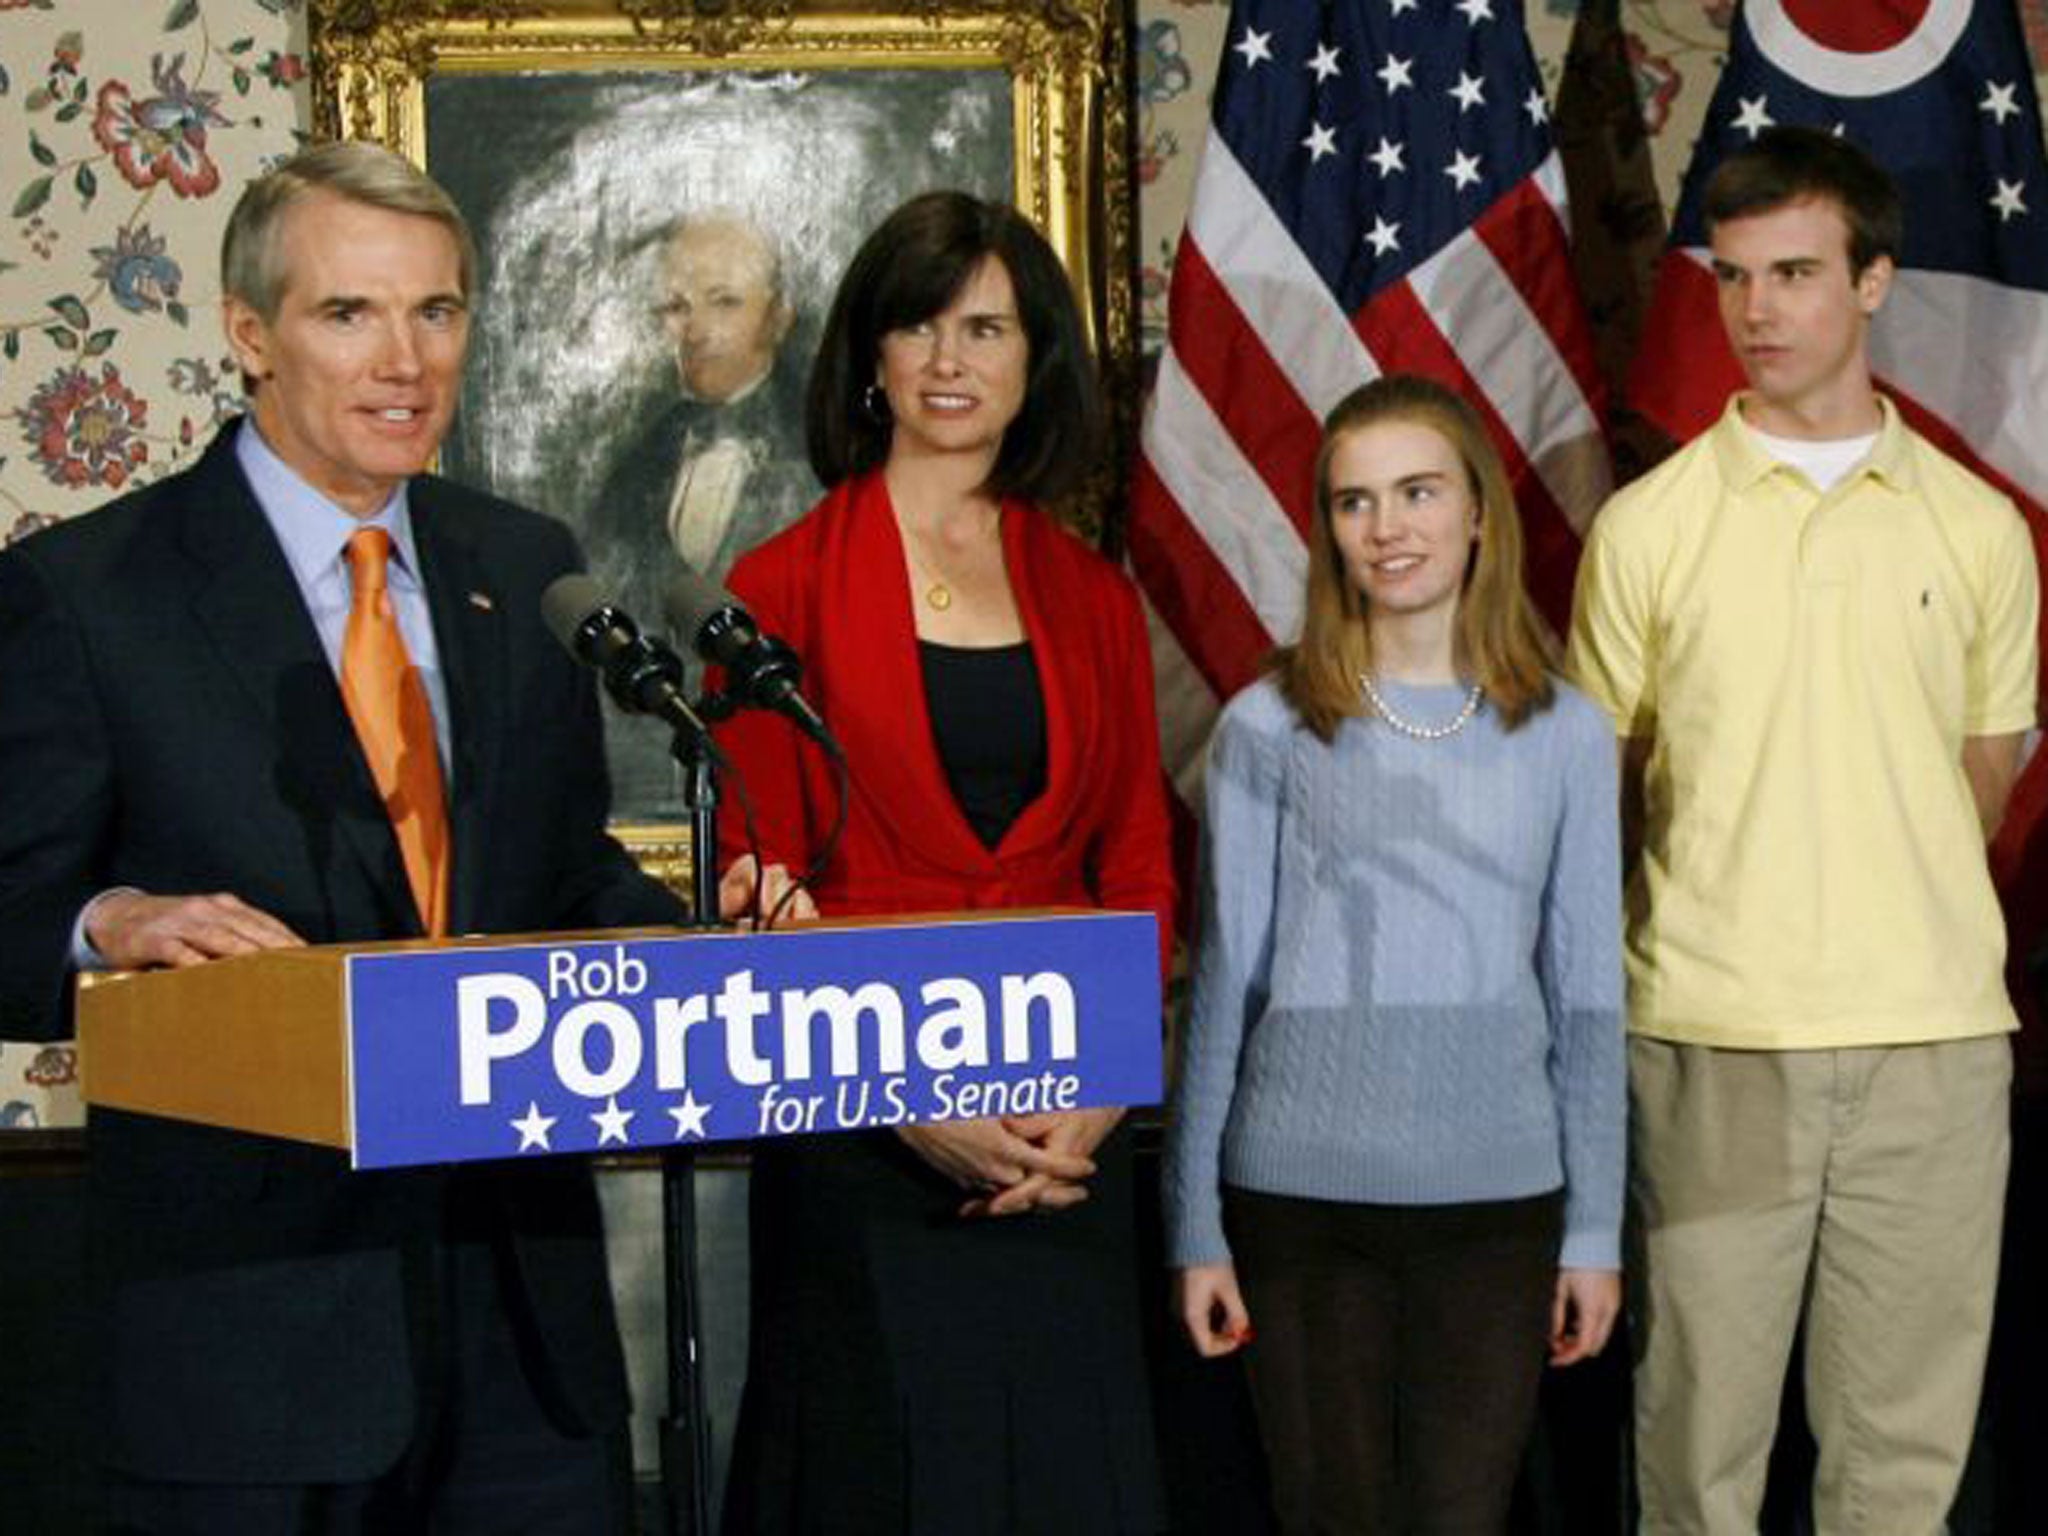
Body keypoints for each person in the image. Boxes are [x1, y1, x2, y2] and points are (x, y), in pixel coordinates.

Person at [0, 141, 691, 1534]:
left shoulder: (520, 562)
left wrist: (707, 915)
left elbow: (561, 872)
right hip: (252, 1347)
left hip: (525, 1337)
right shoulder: (87, 594)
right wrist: (107, 924)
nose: (406, 361)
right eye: (349, 314)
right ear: (251, 334)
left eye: (436, 312)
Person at [1567, 126, 2037, 1534]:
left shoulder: (1977, 528)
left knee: (1902, 1466)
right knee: (1696, 1455)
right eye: (1733, 276)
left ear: (1874, 283)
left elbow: (1985, 779)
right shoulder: (1647, 531)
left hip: (1933, 1051)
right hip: (1713, 1043)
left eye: (1795, 273)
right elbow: (1604, 789)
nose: (1758, 310)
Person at [710, 190, 1174, 1535]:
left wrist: (1094, 1095)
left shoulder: (1093, 595)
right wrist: (908, 1098)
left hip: (1062, 1154)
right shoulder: (777, 586)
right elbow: (756, 871)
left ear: (1038, 363)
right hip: (868, 1154)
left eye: (987, 327)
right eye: (919, 324)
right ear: (871, 356)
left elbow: (1138, 867)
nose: (951, 360)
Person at [1163, 375, 1625, 1534]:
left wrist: (1592, 1233)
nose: (1387, 529)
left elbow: (1586, 1002)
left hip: (1497, 1205)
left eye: (1416, 492)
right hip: (1298, 1201)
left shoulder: (1565, 733)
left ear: (1477, 512)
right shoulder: (1269, 725)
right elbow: (1224, 986)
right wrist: (1193, 1226)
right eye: (1354, 502)